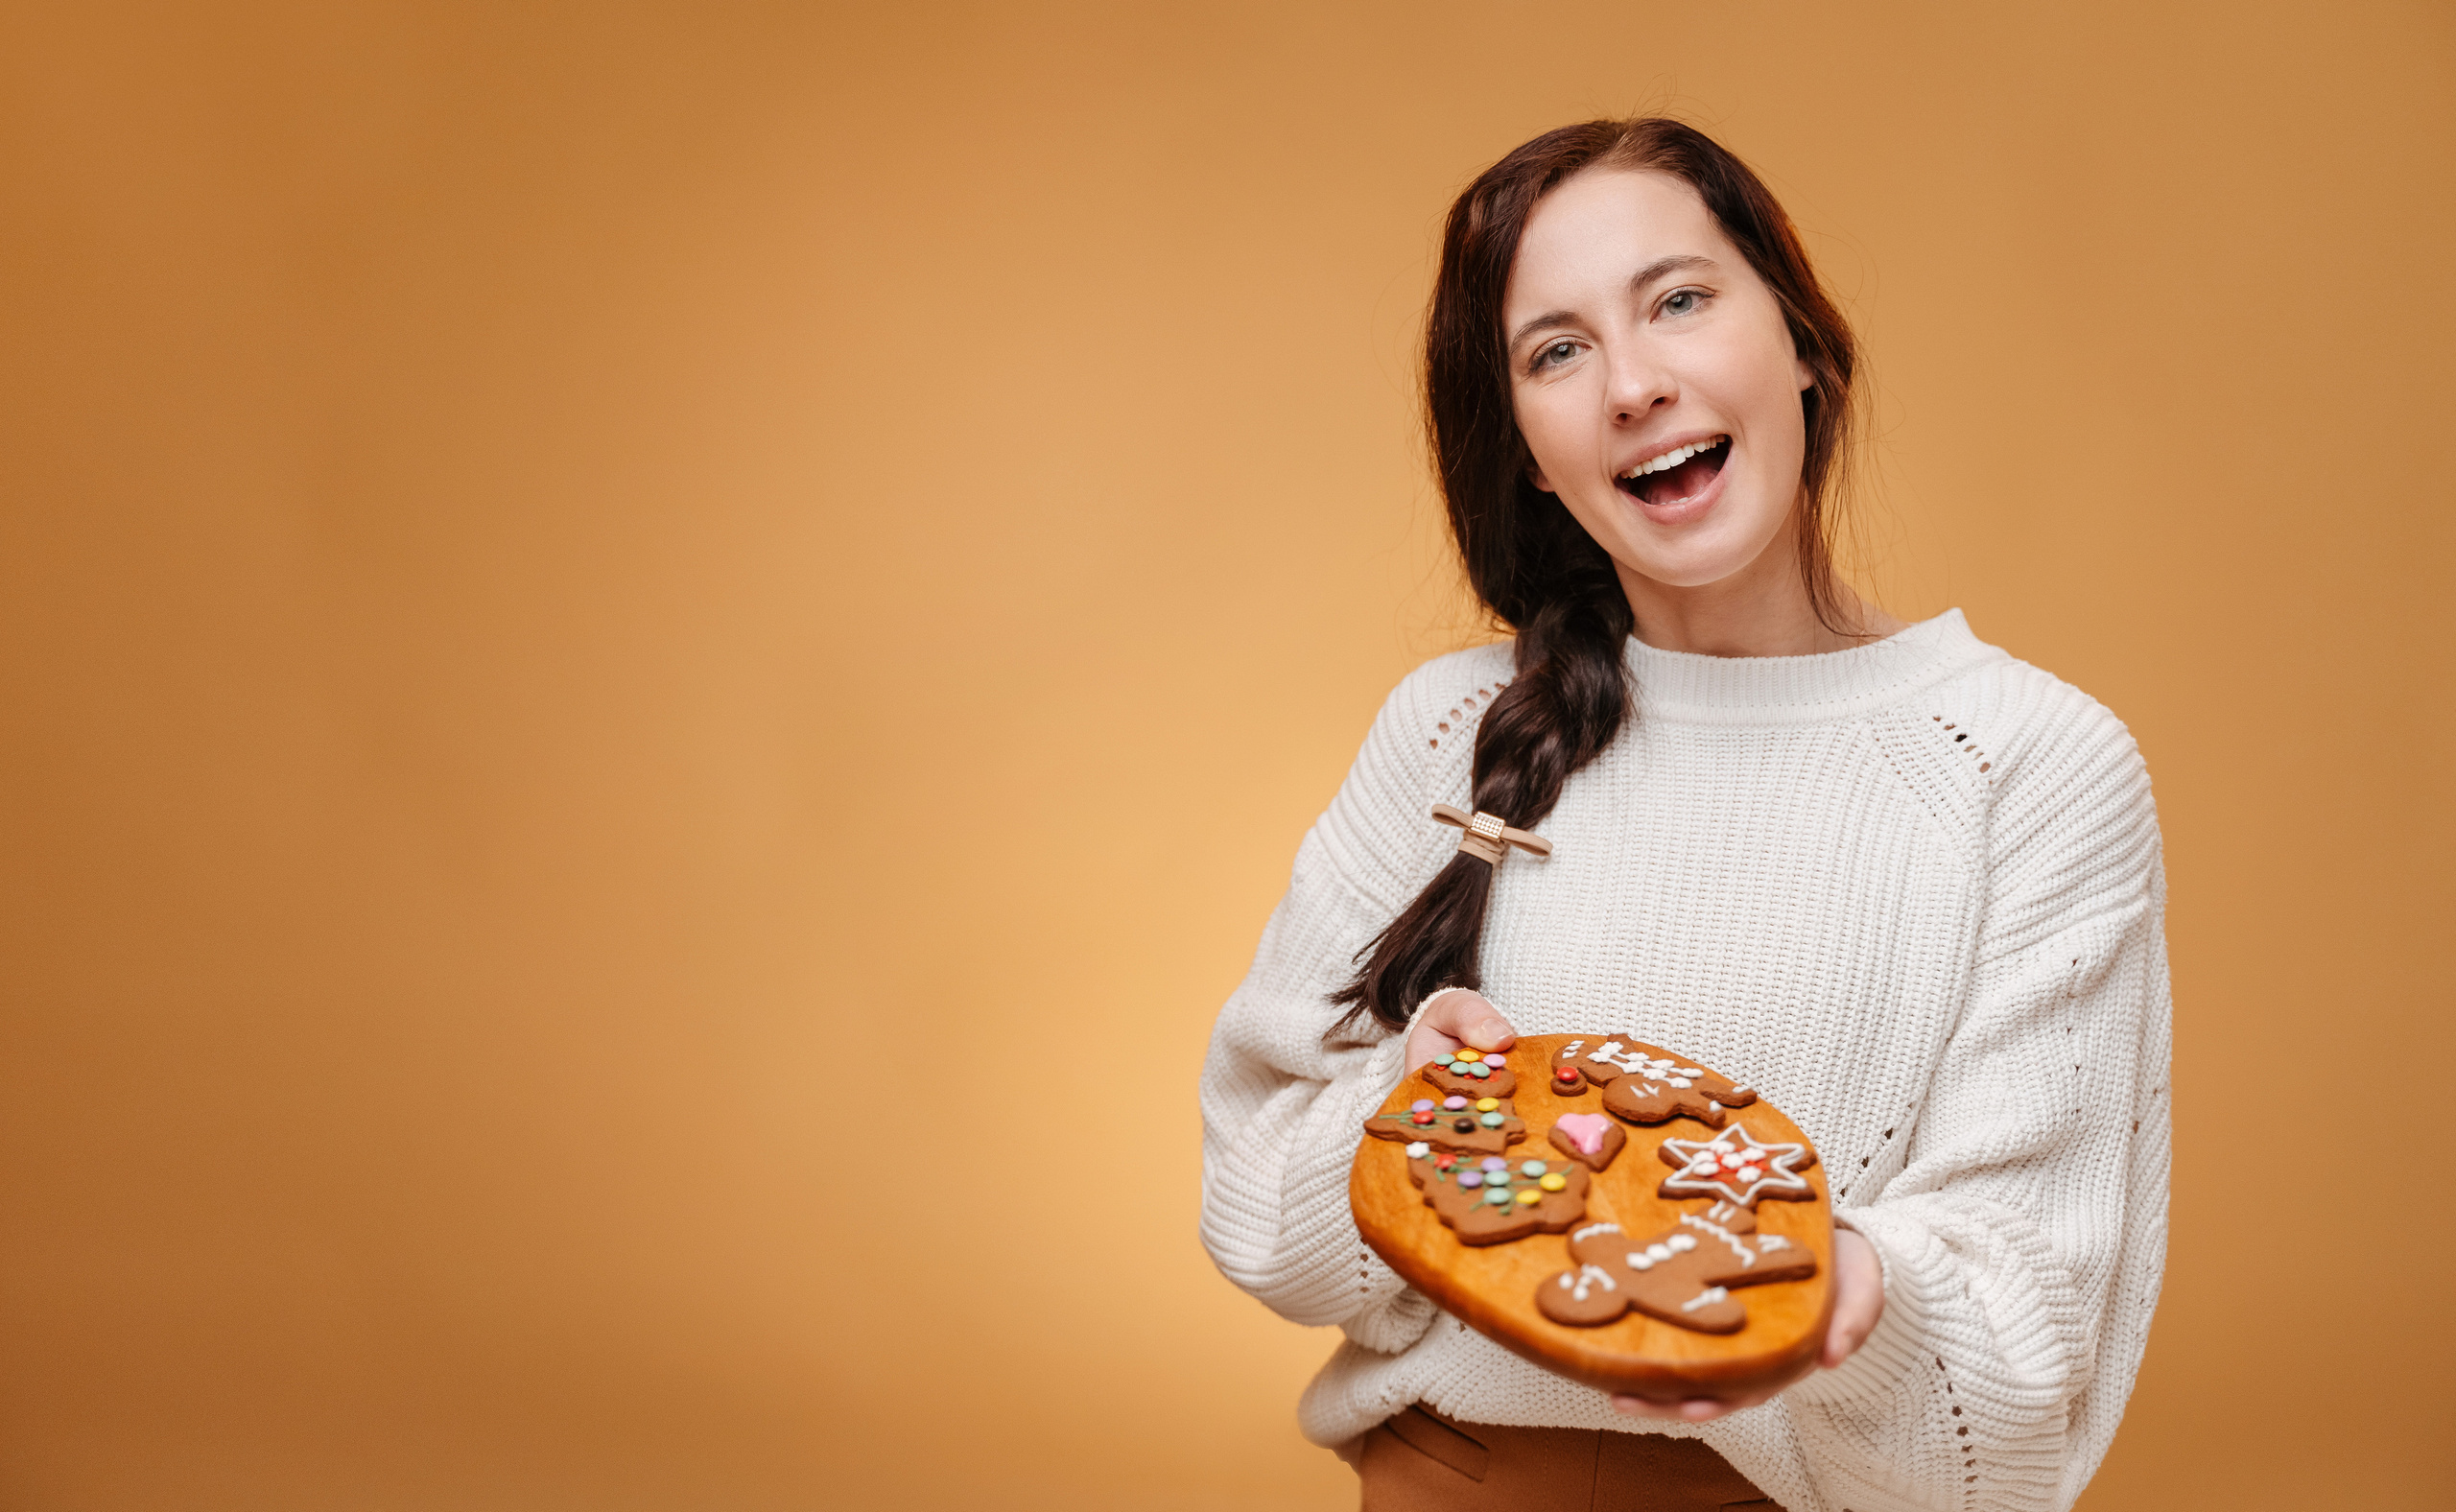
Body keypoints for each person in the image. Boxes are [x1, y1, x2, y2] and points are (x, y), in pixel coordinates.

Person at [1197, 118, 2169, 1512]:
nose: (1634, 384)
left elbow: (2021, 1365)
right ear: (1530, 450)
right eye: (1557, 350)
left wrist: (1839, 1292)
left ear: (1804, 346)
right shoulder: (1448, 731)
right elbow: (1258, 1214)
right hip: (1450, 1483)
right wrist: (1420, 1124)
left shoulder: (2030, 763)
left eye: (1680, 301)